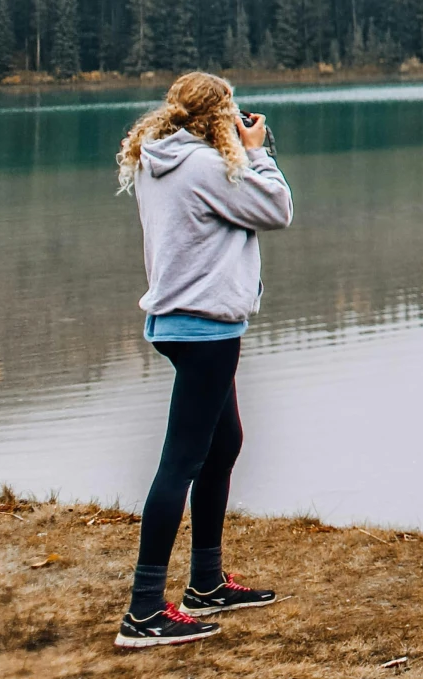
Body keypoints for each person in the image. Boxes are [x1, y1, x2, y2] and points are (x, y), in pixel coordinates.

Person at [110, 71, 294, 649]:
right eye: (231, 111)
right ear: (216, 116)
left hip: (178, 321)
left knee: (224, 442)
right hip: (205, 326)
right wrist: (255, 152)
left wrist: (233, 150)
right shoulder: (206, 167)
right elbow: (278, 208)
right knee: (181, 463)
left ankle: (207, 584)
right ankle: (143, 614)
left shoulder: (157, 157)